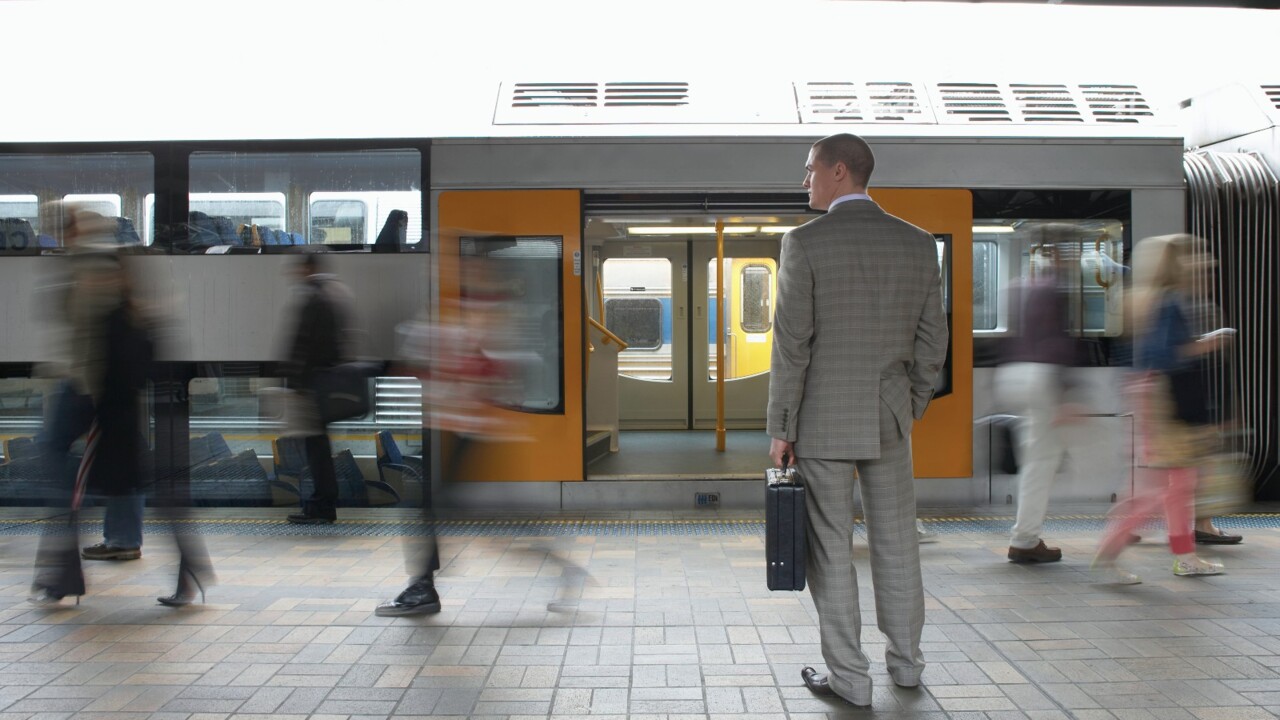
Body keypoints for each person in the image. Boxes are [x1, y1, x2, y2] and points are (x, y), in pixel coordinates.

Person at [768, 133, 948, 707]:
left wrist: (782, 427)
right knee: (897, 543)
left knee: (830, 547)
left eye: (810, 170)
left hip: (821, 421)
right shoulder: (918, 244)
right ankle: (907, 665)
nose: (806, 181)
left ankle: (850, 677)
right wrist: (909, 404)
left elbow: (792, 346)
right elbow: (932, 344)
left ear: (839, 171)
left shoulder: (804, 243)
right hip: (888, 417)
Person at [376, 255, 515, 616]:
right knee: (431, 509)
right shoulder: (464, 316)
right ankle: (424, 585)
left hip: (464, 433)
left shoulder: (472, 316)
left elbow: (473, 372)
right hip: (456, 430)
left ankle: (423, 588)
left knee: (428, 509)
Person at [1092, 234, 1228, 582]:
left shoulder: (1147, 300)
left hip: (1154, 396)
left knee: (1180, 483)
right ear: (1176, 264)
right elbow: (1166, 356)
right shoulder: (1168, 303)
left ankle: (1184, 554)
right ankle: (1109, 551)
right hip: (1163, 401)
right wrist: (1206, 344)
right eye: (1193, 256)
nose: (1202, 264)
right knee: (1155, 489)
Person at [30, 210, 141, 605]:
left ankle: (66, 568)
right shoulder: (93, 263)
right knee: (110, 471)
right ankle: (115, 541)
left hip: (87, 389)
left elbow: (94, 340)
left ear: (75, 229)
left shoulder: (92, 266)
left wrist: (94, 395)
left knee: (58, 462)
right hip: (86, 385)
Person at [996, 228, 1094, 564]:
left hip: (1014, 374)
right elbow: (1058, 342)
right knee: (1042, 462)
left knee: (1038, 457)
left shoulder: (1020, 286)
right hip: (1042, 376)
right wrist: (1067, 394)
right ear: (1060, 255)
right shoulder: (1056, 289)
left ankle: (1025, 535)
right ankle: (1024, 540)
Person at [281, 252, 358, 524]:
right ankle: (323, 503)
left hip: (312, 384)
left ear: (308, 268)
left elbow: (303, 343)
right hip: (325, 381)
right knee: (319, 446)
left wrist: (295, 381)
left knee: (316, 448)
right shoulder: (336, 293)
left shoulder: (314, 296)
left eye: (299, 268)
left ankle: (322, 506)